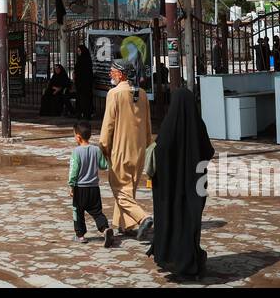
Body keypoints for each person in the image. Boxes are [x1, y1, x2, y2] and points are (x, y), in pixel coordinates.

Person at [148, 86, 215, 280]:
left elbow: (159, 154)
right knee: (190, 223)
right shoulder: (198, 126)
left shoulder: (168, 128)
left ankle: (172, 257)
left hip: (170, 191)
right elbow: (208, 151)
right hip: (195, 186)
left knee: (172, 221)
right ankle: (190, 261)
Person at [99, 58, 154, 241]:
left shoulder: (114, 94)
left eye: (112, 71)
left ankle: (142, 217)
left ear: (121, 74)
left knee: (120, 190)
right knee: (128, 188)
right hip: (138, 149)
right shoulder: (143, 93)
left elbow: (108, 125)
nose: (110, 74)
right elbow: (147, 125)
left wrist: (104, 146)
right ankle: (126, 225)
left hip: (120, 150)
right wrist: (145, 145)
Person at [68, 121, 114, 247]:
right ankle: (105, 229)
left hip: (80, 188)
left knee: (78, 211)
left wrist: (71, 185)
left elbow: (73, 171)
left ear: (78, 137)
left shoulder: (76, 152)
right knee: (97, 212)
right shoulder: (96, 150)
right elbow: (104, 166)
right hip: (94, 188)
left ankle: (80, 235)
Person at [73, 44, 95, 119]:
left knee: (85, 99)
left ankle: (86, 114)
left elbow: (87, 73)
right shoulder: (79, 59)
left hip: (85, 84)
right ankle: (80, 113)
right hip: (79, 83)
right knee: (80, 99)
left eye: (79, 51)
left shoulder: (86, 60)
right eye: (77, 51)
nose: (78, 52)